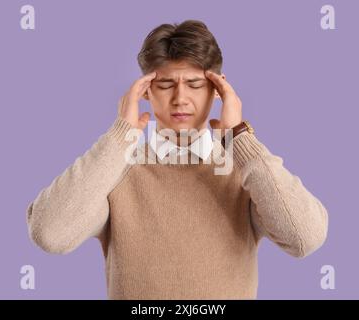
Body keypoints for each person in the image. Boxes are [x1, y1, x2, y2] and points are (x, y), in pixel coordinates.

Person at [26, 20, 329, 299]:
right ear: (145, 90)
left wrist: (240, 138)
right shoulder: (115, 171)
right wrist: (120, 137)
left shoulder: (246, 171)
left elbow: (305, 238)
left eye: (195, 85)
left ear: (218, 89)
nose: (180, 98)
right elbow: (50, 234)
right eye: (166, 84)